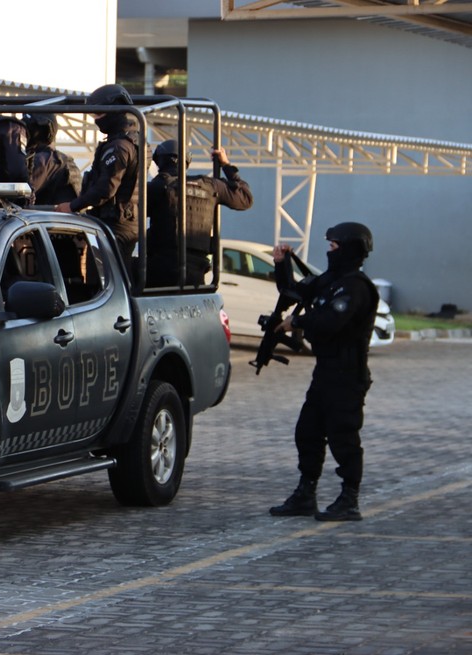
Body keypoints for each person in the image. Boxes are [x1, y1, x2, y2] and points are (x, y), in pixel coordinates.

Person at [269, 222, 379, 522]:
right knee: (308, 432)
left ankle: (349, 499)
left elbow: (331, 321)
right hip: (326, 371)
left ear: (350, 249)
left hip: (347, 374)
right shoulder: (332, 280)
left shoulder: (356, 287)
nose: (329, 251)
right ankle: (306, 494)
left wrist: (298, 323)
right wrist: (282, 263)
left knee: (344, 436)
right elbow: (294, 291)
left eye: (334, 246)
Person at [146, 139, 253, 287]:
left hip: (160, 270)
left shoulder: (156, 187)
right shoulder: (210, 186)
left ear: (159, 160)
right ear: (187, 161)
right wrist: (226, 164)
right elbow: (245, 199)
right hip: (196, 273)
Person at [54, 84, 141, 265]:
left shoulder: (119, 147)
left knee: (101, 278)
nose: (96, 120)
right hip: (121, 223)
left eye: (99, 114)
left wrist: (72, 206)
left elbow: (105, 189)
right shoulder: (131, 141)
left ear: (114, 110)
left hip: (115, 225)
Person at [22, 113, 80, 206]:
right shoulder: (54, 158)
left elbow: (20, 190)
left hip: (54, 214)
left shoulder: (47, 160)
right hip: (50, 214)